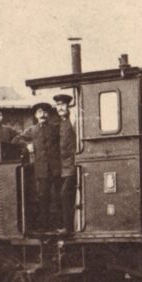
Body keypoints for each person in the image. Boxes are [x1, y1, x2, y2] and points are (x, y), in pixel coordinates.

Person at [15, 102, 61, 231]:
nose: (43, 115)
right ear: (36, 115)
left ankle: (59, 225)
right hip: (41, 170)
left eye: (45, 112)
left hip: (57, 168)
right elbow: (16, 139)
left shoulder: (56, 128)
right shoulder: (31, 130)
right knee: (43, 198)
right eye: (40, 112)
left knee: (58, 197)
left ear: (49, 115)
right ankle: (45, 226)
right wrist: (27, 145)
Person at [53, 93, 78, 235]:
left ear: (68, 106)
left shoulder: (73, 120)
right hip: (63, 166)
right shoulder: (60, 123)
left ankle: (69, 228)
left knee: (65, 194)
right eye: (58, 105)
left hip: (73, 164)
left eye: (62, 105)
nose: (60, 108)